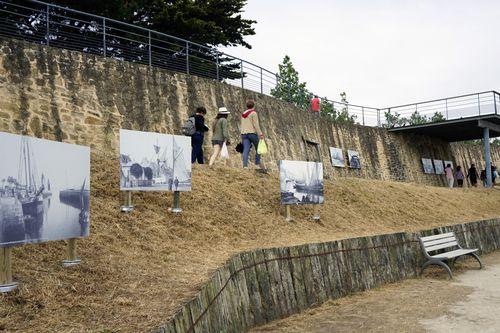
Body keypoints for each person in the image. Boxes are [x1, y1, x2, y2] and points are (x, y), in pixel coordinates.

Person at [240, 100, 266, 170]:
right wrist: (260, 134)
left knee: (246, 150)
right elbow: (256, 125)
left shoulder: (243, 114)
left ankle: (245, 166)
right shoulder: (253, 113)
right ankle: (257, 162)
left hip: (244, 134)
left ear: (247, 106)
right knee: (259, 148)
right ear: (253, 106)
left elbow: (242, 124)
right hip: (252, 133)